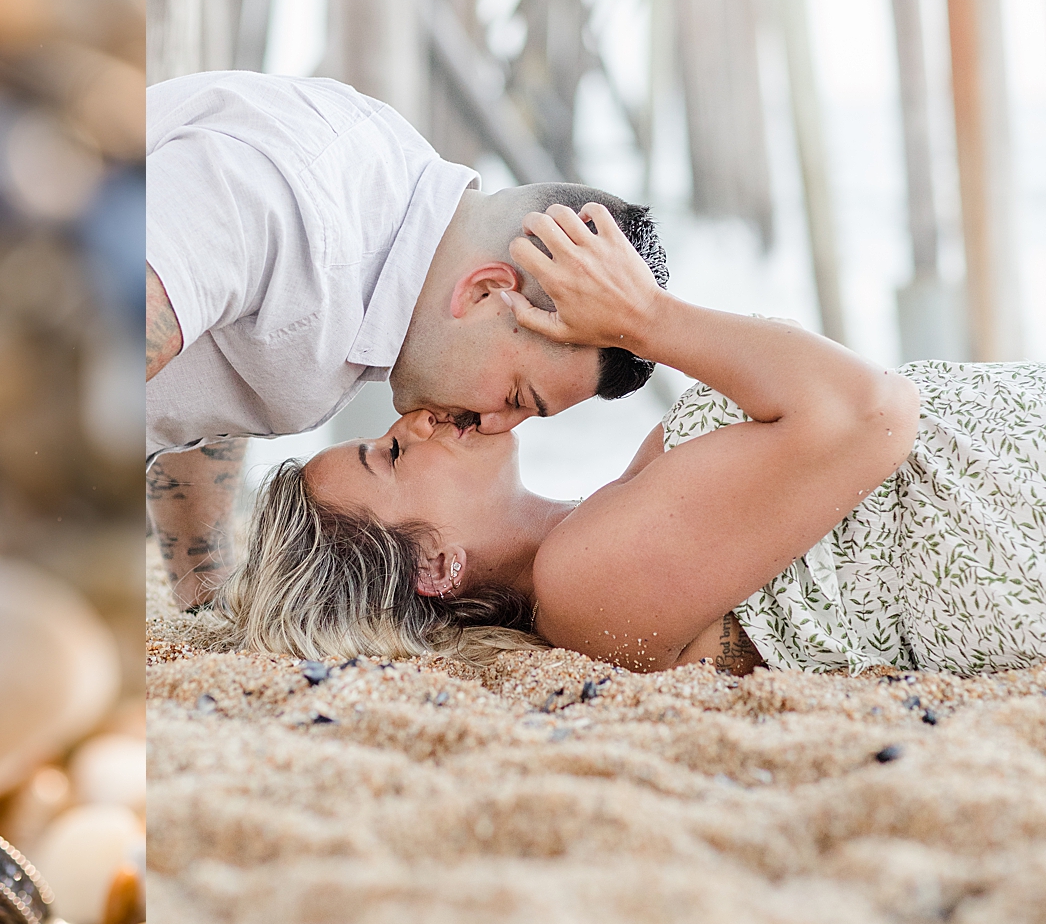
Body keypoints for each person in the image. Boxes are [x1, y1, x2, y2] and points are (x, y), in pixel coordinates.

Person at [222, 201, 1046, 678]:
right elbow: (869, 412)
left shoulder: (597, 543)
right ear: (437, 565)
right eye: (391, 455)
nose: (413, 421)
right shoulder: (584, 585)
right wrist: (646, 322)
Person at [145, 71, 668, 609]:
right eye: (516, 398)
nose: (495, 427)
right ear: (486, 292)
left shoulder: (380, 258)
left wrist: (200, 594)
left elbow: (213, 356)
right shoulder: (294, 205)